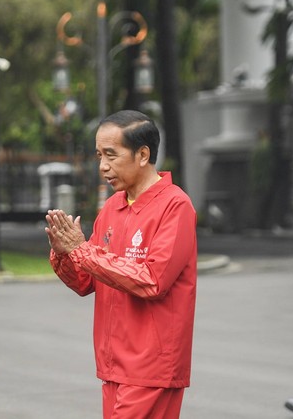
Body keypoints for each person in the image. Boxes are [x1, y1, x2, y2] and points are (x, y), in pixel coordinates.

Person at [45, 110, 197, 419]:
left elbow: (153, 280)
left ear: (143, 154)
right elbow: (86, 282)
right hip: (113, 364)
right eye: (99, 155)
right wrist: (64, 254)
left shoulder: (175, 205)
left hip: (151, 367)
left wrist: (83, 251)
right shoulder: (113, 206)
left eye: (111, 156)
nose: (102, 166)